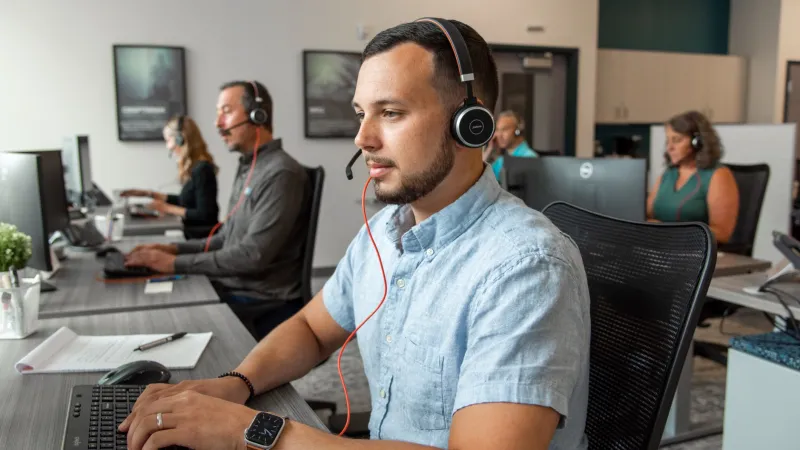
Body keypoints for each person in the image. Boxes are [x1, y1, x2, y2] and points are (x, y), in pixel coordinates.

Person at [119, 19, 590, 450]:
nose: (362, 138)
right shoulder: (385, 231)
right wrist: (235, 383)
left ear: (471, 123)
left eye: (390, 112)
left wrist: (249, 431)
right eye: (361, 112)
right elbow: (310, 328)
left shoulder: (527, 266)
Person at [126, 80, 311, 336]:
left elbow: (251, 256)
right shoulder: (250, 167)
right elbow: (225, 238)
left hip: (259, 300)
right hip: (235, 286)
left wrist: (174, 263)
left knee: (162, 317)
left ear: (258, 115)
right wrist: (173, 249)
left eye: (226, 111)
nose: (217, 123)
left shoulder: (281, 173)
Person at [120, 115, 221, 239]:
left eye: (168, 140)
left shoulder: (202, 169)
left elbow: (205, 214)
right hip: (193, 235)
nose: (168, 146)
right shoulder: (195, 168)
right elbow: (185, 201)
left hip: (202, 238)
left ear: (180, 139)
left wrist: (166, 208)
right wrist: (149, 193)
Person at [647, 110, 739, 243]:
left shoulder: (718, 175)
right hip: (662, 248)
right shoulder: (668, 174)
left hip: (695, 254)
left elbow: (723, 233)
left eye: (677, 140)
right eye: (668, 141)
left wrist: (669, 231)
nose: (669, 147)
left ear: (698, 142)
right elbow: (647, 215)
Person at [482, 109, 538, 180]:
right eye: (498, 130)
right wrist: (490, 149)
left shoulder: (529, 158)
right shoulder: (501, 160)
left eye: (504, 129)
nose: (499, 135)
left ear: (518, 131)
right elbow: (478, 178)